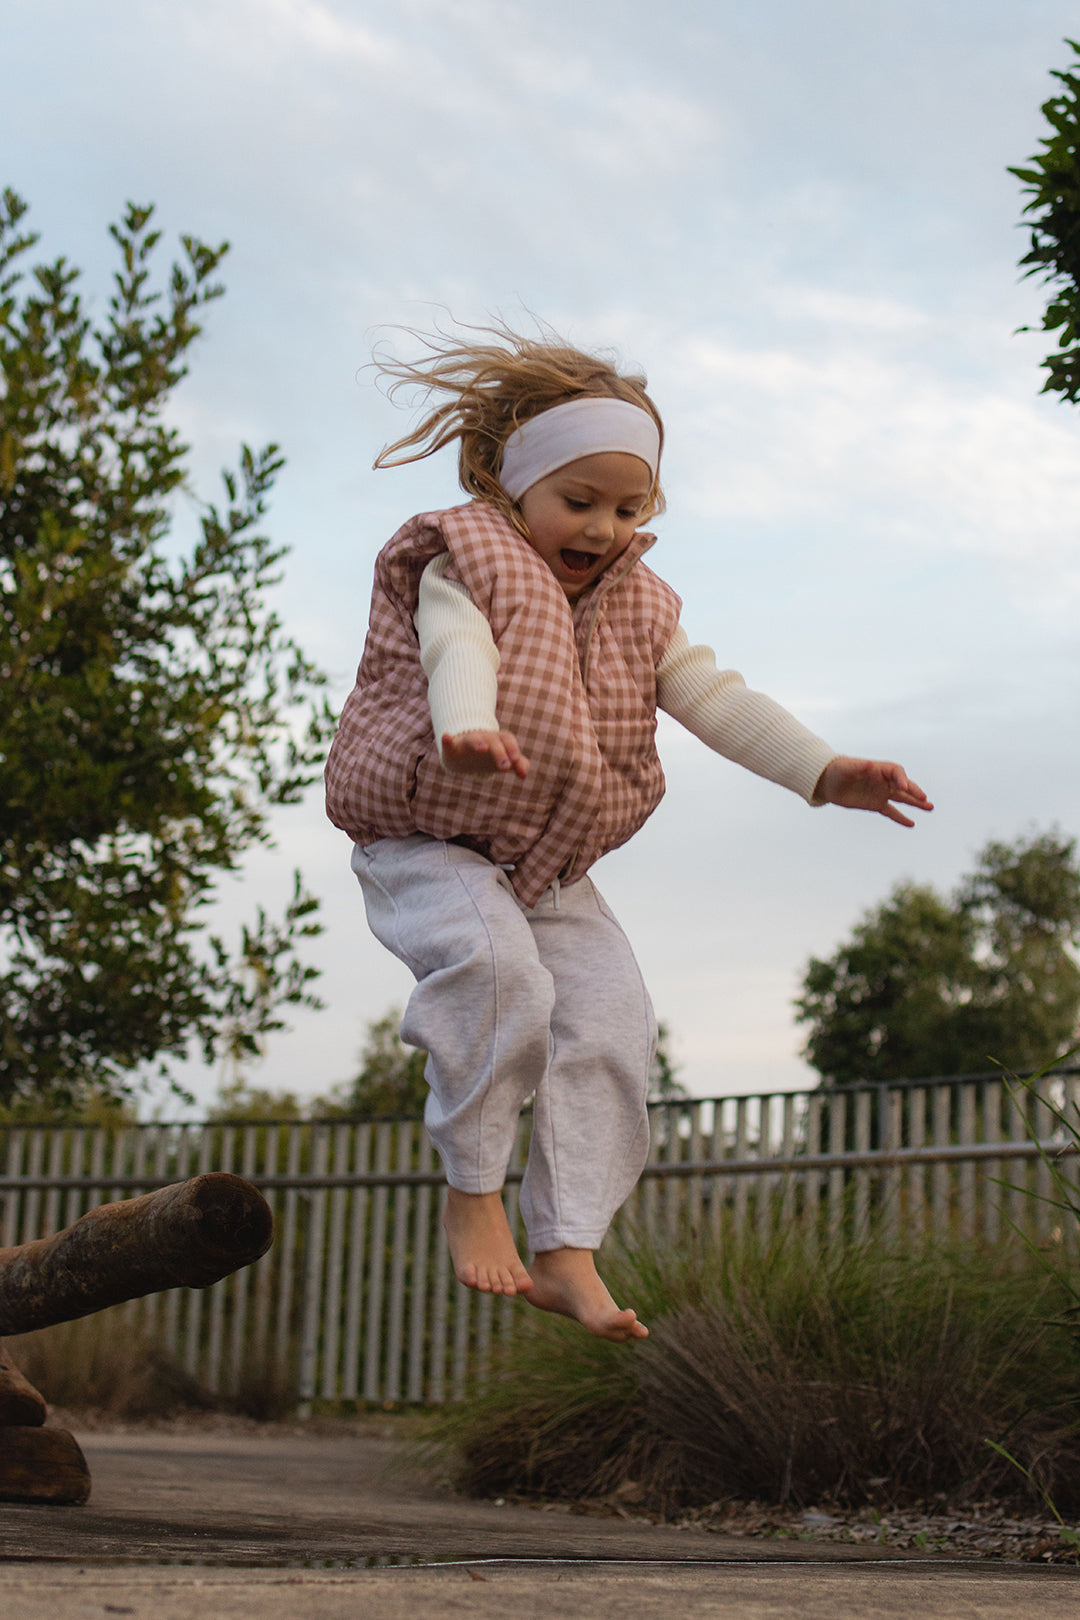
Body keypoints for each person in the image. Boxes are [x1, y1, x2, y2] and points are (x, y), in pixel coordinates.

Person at [325, 325, 932, 1343]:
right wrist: (465, 726)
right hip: (429, 844)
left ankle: (567, 1248)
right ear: (513, 486)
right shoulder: (465, 557)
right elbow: (453, 643)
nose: (603, 526)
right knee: (500, 976)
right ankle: (473, 1188)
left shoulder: (641, 606)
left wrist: (823, 771)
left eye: (627, 506)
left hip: (546, 868)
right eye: (579, 501)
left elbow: (711, 695)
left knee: (610, 1023)